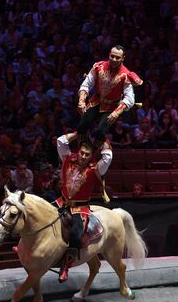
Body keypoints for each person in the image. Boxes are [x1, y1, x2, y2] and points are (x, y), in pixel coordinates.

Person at [55, 132, 113, 283]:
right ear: (78, 151)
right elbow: (61, 142)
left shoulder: (96, 169)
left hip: (80, 209)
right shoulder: (67, 158)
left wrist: (102, 138)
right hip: (61, 202)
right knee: (37, 215)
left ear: (91, 155)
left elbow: (108, 156)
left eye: (87, 154)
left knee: (75, 234)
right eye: (81, 152)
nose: (83, 156)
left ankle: (65, 266)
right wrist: (78, 131)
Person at [77, 45, 143, 149]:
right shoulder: (98, 66)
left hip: (112, 107)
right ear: (109, 55)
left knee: (100, 131)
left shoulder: (126, 74)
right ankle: (82, 149)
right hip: (96, 100)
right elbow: (87, 84)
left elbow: (130, 98)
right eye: (112, 56)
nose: (114, 59)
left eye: (118, 57)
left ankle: (95, 153)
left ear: (123, 58)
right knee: (82, 126)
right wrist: (81, 101)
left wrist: (117, 112)